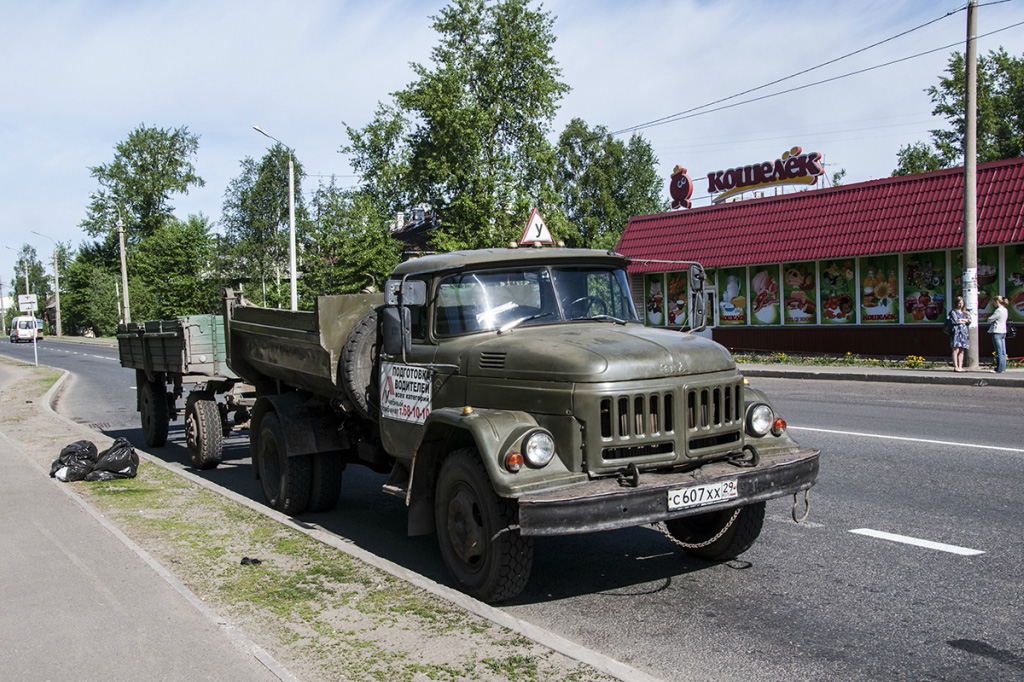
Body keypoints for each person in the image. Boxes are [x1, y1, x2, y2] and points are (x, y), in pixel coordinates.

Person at [948, 296, 970, 371]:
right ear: (956, 303)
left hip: (963, 333)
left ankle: (960, 366)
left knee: (962, 350)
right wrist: (963, 320)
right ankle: (956, 366)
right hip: (956, 332)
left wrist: (962, 319)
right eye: (959, 303)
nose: (960, 305)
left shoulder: (964, 312)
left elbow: (969, 321)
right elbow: (955, 321)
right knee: (955, 349)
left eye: (962, 303)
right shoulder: (953, 312)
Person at [988, 295, 1009, 373]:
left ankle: (999, 368)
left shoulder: (998, 310)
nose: (993, 304)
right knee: (1003, 351)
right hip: (1003, 331)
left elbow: (990, 319)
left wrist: (989, 319)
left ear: (997, 301)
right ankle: (1003, 368)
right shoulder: (1005, 310)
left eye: (994, 302)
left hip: (997, 331)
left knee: (998, 351)